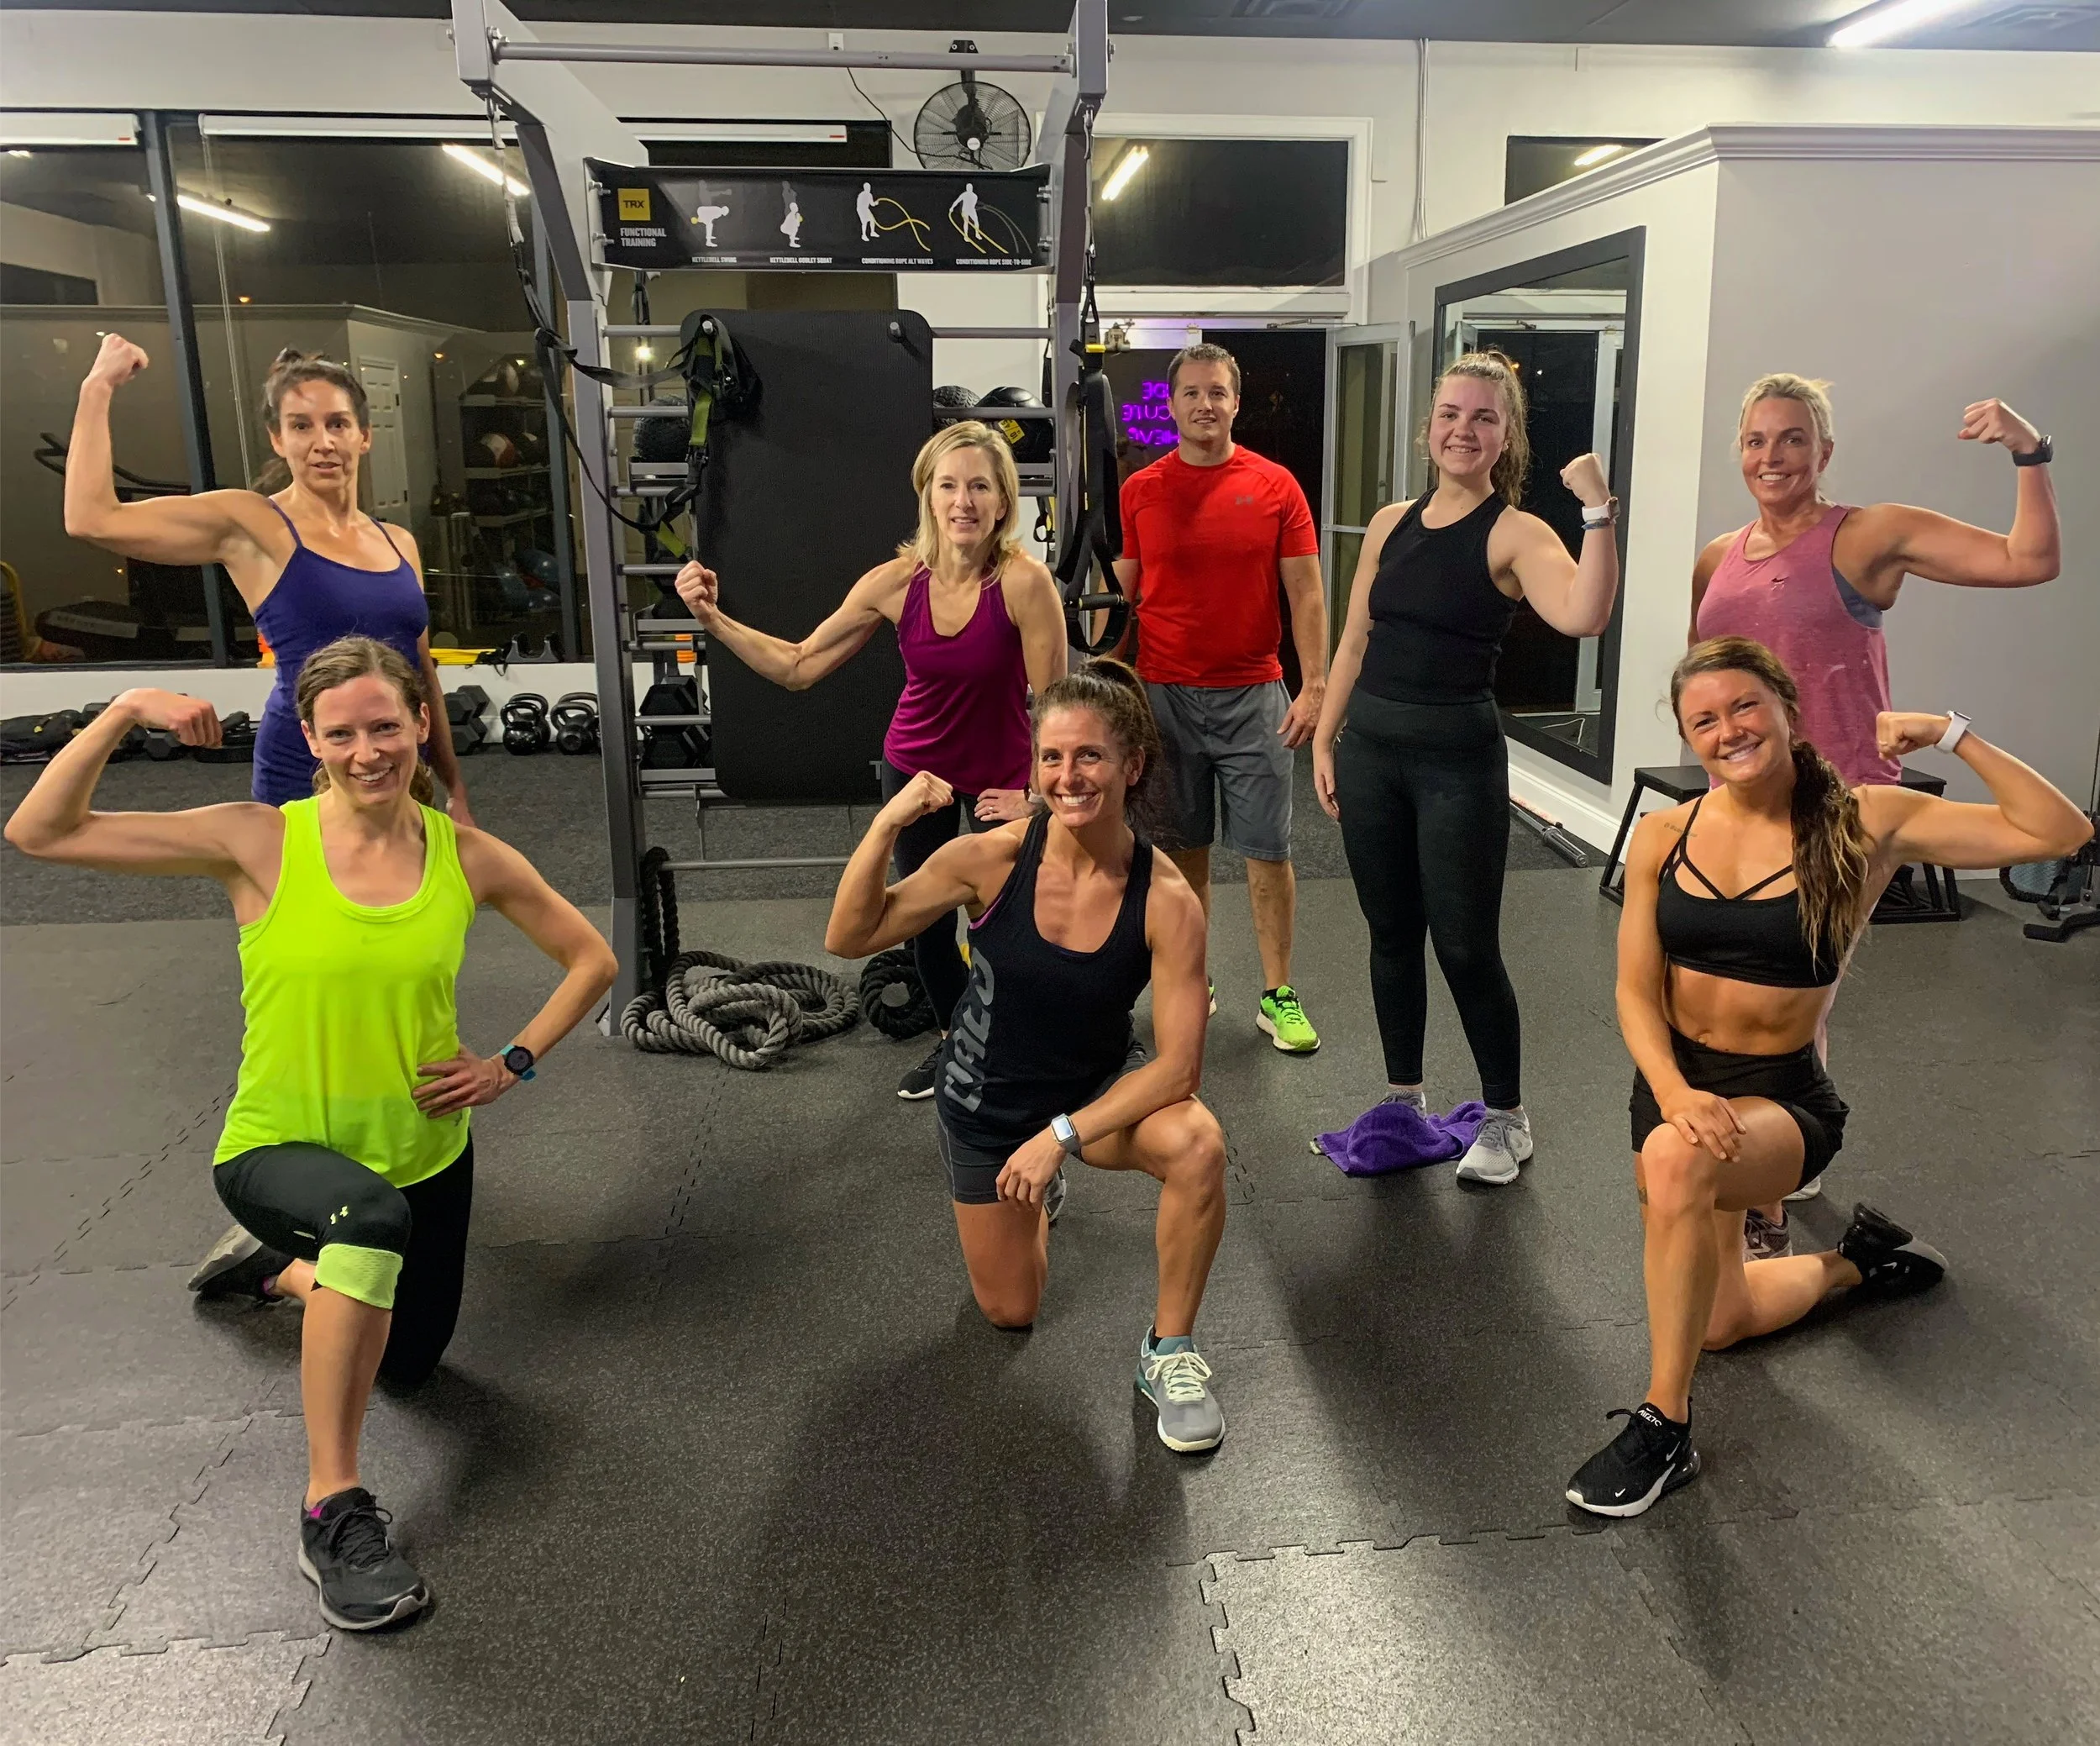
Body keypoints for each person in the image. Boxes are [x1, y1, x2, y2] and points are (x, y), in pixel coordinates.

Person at [4, 636, 617, 1628]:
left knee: (411, 1364)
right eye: (343, 732)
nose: (369, 749)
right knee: (365, 1227)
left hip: (426, 1152)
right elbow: (38, 831)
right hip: (277, 1147)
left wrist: (511, 1063)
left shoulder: (468, 854)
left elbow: (590, 958)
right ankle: (332, 1508)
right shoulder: (257, 839)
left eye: (386, 725)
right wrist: (119, 711)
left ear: (422, 723)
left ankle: (282, 1271)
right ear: (311, 739)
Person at [1566, 636, 2092, 1517]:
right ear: (1691, 738)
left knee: (1673, 1165)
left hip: (1780, 1100)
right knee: (1719, 1322)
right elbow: (1631, 989)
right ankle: (1857, 1262)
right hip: (1676, 1090)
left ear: (1784, 708)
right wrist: (1674, 1091)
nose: (1728, 729)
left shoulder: (1861, 821)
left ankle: (1664, 1426)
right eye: (1705, 719)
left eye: (1743, 706)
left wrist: (1953, 734)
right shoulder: (1666, 833)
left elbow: (2062, 831)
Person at [1694, 374, 2060, 1242]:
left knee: (1785, 996)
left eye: (1790, 439)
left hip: (1838, 807)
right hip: (1734, 807)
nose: (1770, 456)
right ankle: (1789, 1148)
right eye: (1754, 440)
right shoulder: (1717, 554)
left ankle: (1769, 1186)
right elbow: (1707, 683)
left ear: (1823, 452)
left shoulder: (1866, 535)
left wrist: (2027, 449)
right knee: (1742, 996)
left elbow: (2028, 559)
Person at [827, 659, 1226, 1450]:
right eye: (1052, 757)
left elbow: (1179, 1069)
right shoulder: (992, 859)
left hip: (1095, 1095)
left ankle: (1169, 1351)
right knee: (1012, 1312)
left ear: (1131, 765)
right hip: (988, 1102)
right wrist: (885, 826)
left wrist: (1062, 1137)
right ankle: (1032, 1196)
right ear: (1034, 768)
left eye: (1090, 757)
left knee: (1198, 1144)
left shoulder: (1168, 898)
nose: (1069, 776)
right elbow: (849, 935)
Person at [675, 420, 1067, 1100]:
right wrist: (712, 619)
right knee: (924, 924)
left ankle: (1021, 1044)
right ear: (928, 496)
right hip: (917, 769)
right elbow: (798, 666)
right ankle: (956, 1045)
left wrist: (1036, 796)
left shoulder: (1025, 585)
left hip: (1006, 773)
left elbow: (1056, 706)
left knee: (1010, 921)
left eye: (980, 486)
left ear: (1004, 502)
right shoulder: (893, 583)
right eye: (949, 485)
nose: (963, 501)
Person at [1311, 351, 1619, 1184]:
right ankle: (1403, 1099)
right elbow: (1355, 639)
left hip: (1455, 761)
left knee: (1464, 944)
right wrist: (1324, 734)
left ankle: (1506, 1116)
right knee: (1388, 933)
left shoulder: (1517, 532)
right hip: (1371, 751)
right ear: (1428, 426)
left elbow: (1584, 612)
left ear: (1505, 434)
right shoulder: (1387, 523)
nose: (1463, 429)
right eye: (1451, 413)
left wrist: (1597, 511)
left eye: (1483, 417)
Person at [63, 334, 476, 819]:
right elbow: (90, 518)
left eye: (337, 424)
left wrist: (456, 786)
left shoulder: (397, 541)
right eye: (301, 426)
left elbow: (421, 674)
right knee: (303, 894)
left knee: (405, 890)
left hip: (398, 759)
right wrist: (97, 388)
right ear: (279, 440)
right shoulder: (252, 523)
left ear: (363, 435)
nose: (323, 443)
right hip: (301, 764)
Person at [1114, 342, 1326, 1053]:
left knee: (1269, 852)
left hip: (1253, 696)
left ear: (1236, 402)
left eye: (1218, 392)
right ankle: (1192, 979)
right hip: (1164, 698)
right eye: (1192, 393)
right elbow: (1125, 597)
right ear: (1170, 405)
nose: (1205, 405)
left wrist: (1316, 683)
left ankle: (1279, 993)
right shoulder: (1141, 488)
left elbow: (1305, 591)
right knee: (1183, 852)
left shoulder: (1275, 486)